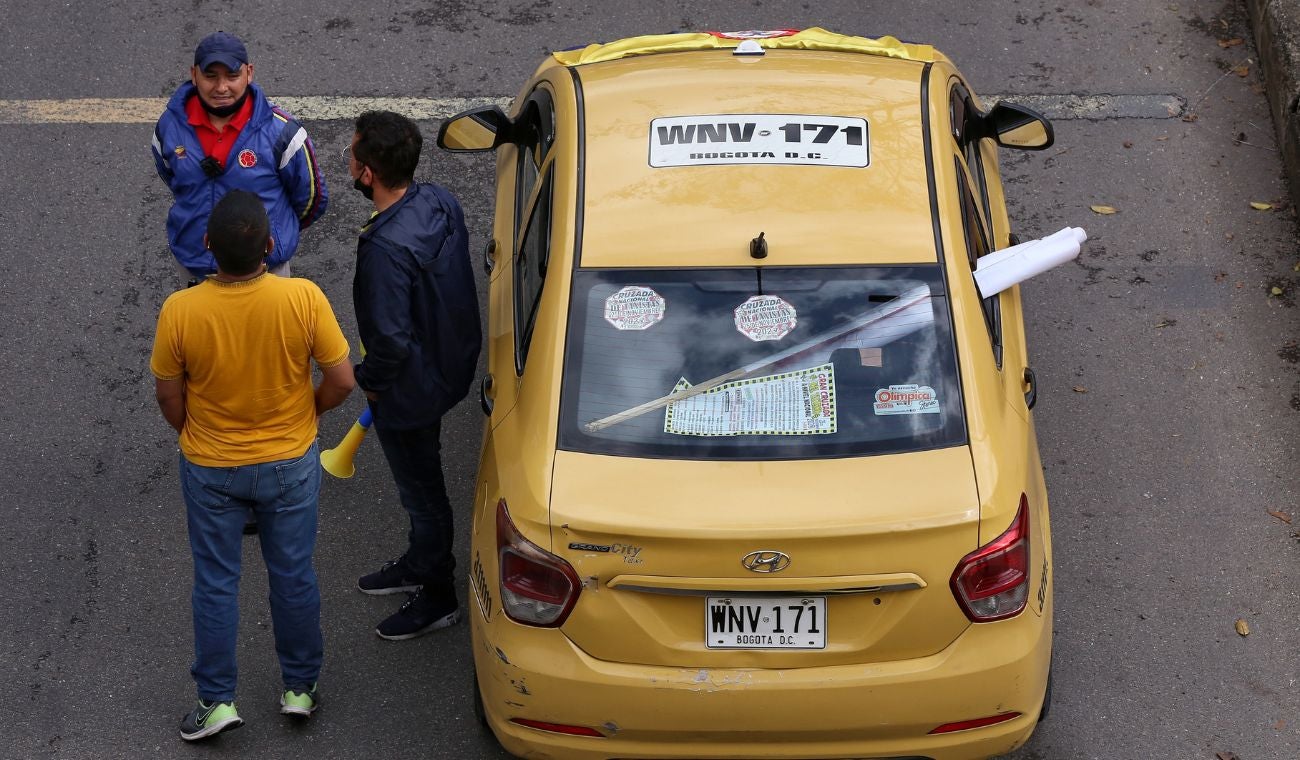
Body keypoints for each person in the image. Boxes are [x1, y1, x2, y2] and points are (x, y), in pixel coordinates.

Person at [150, 191, 355, 740]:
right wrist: (305, 416)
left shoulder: (180, 310)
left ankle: (216, 701)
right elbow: (341, 380)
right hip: (289, 461)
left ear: (207, 246)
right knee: (292, 575)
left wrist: (194, 431)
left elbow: (169, 397)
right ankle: (299, 689)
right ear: (269, 245)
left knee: (216, 582)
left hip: (211, 465)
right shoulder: (303, 299)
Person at [345, 111, 481, 641]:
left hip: (410, 390)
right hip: (448, 364)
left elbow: (390, 341)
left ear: (368, 174)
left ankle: (438, 593)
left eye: (354, 153)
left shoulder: (383, 249)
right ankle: (419, 561)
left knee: (422, 493)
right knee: (423, 488)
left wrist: (368, 378)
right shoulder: (438, 201)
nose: (349, 159)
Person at [151, 31, 328, 286]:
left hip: (265, 271)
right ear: (194, 75)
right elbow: (171, 176)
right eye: (210, 76)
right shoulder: (169, 127)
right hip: (196, 267)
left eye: (232, 76)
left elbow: (312, 198)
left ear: (249, 73)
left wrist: (277, 231)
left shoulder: (282, 131)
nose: (221, 87)